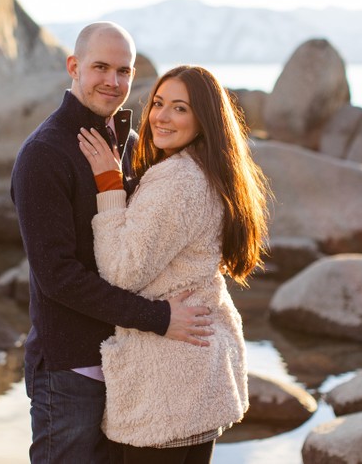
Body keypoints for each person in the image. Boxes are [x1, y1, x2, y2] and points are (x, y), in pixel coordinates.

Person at [11, 22, 214, 464]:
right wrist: (159, 318)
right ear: (74, 67)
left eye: (123, 71)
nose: (113, 81)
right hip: (72, 372)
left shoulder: (132, 145)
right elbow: (58, 279)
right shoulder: (44, 154)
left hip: (131, 366)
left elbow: (150, 244)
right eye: (100, 67)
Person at [76, 64, 270, 463]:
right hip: (198, 373)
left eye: (180, 109)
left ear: (204, 118)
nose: (161, 117)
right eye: (159, 103)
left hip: (167, 384)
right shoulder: (213, 172)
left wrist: (110, 185)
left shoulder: (178, 179)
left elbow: (121, 272)